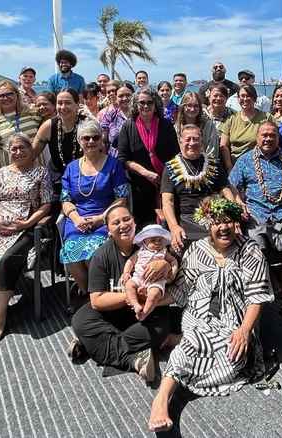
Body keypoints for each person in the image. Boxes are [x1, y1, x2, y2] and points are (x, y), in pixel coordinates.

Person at [148, 196, 273, 432]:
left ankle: (179, 350)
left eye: (228, 221)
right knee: (191, 344)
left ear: (236, 223)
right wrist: (150, 302)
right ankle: (161, 399)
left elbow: (258, 297)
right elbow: (181, 290)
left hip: (237, 322)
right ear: (208, 225)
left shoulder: (250, 251)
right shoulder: (196, 250)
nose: (223, 227)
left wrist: (245, 331)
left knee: (233, 359)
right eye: (217, 222)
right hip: (199, 317)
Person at [0, 134, 54, 347]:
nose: (18, 152)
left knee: (5, 259)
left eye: (23, 147)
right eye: (13, 149)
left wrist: (27, 224)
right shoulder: (0, 174)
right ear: (8, 152)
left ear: (30, 149)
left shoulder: (41, 173)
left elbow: (46, 205)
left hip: (27, 226)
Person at [70, 204, 176, 381]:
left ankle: (93, 346)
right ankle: (132, 360)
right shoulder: (101, 256)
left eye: (127, 219)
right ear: (108, 230)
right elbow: (96, 300)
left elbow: (174, 291)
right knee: (81, 320)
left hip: (145, 314)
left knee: (160, 327)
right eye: (116, 222)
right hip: (113, 312)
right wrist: (131, 295)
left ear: (135, 222)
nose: (123, 225)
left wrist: (166, 266)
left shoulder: (155, 245)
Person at [229, 121, 282, 296]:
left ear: (278, 137)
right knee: (254, 239)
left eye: (273, 135)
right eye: (265, 135)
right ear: (257, 137)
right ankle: (270, 274)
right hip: (256, 212)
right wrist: (238, 203)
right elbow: (231, 187)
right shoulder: (245, 160)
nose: (268, 138)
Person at [59, 121, 131, 297]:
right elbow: (65, 200)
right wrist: (76, 219)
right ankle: (88, 295)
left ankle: (100, 293)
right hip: (78, 219)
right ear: (79, 141)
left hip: (106, 217)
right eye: (86, 138)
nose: (91, 141)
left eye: (95, 137)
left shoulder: (113, 165)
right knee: (71, 251)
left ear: (101, 141)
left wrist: (101, 218)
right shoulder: (71, 168)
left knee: (94, 252)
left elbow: (122, 197)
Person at [160, 124, 234, 254]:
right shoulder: (170, 168)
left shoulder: (214, 164)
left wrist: (234, 218)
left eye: (196, 139)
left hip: (212, 217)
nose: (192, 143)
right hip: (184, 219)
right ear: (180, 142)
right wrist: (173, 227)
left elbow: (226, 191)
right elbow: (167, 201)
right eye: (188, 139)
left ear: (202, 142)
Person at [116, 88, 180, 227]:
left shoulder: (166, 125)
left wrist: (164, 177)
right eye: (142, 103)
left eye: (149, 102)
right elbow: (123, 158)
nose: (146, 106)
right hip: (139, 184)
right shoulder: (128, 127)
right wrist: (147, 174)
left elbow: (176, 155)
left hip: (165, 181)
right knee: (143, 224)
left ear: (156, 104)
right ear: (136, 105)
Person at [32, 88, 90, 199]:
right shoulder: (48, 126)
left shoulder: (87, 124)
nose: (63, 107)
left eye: (68, 103)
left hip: (84, 180)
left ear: (77, 104)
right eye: (60, 103)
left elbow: (100, 153)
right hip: (56, 181)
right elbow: (32, 154)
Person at [123, 225, 178, 320]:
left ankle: (145, 313)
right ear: (144, 242)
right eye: (153, 240)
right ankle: (135, 304)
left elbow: (173, 260)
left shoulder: (164, 252)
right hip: (139, 277)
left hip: (156, 280)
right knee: (129, 285)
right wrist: (126, 272)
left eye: (160, 240)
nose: (157, 243)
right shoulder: (140, 251)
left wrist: (174, 269)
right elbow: (130, 261)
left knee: (154, 295)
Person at [220, 84, 276, 170]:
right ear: (238, 99)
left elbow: (275, 141)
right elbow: (224, 145)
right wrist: (229, 167)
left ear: (255, 98)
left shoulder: (267, 117)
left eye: (249, 96)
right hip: (236, 167)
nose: (245, 99)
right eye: (242, 96)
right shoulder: (231, 119)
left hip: (260, 166)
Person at [174, 91, 220, 160]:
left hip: (206, 165)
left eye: (196, 106)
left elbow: (213, 152)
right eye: (189, 105)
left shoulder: (209, 125)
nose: (192, 109)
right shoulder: (176, 126)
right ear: (183, 106)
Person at [99, 81, 134, 156]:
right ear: (116, 97)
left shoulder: (140, 115)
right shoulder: (109, 116)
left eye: (128, 95)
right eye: (120, 96)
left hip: (137, 161)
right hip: (114, 161)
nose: (124, 98)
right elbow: (103, 141)